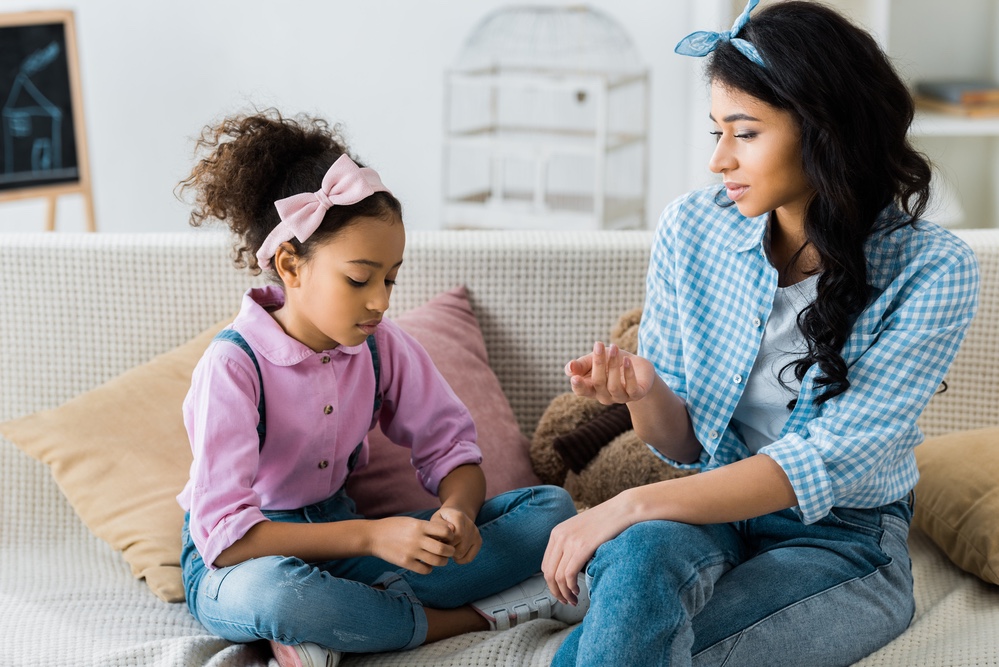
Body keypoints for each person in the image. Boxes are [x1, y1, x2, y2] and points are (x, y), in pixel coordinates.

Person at [542, 2, 980, 665]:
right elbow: (682, 445)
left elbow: (825, 458)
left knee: (613, 650)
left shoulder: (931, 269)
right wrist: (645, 390)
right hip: (705, 511)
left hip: (840, 539)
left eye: (743, 133)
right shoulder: (692, 227)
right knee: (638, 560)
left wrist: (629, 503)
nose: (718, 159)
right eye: (716, 130)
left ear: (823, 129)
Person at [175, 110, 583, 667]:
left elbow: (450, 449)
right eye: (359, 278)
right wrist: (370, 539)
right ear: (292, 265)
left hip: (346, 537)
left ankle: (340, 626)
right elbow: (228, 537)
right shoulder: (233, 365)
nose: (381, 301)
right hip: (242, 563)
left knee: (550, 510)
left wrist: (457, 513)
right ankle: (470, 617)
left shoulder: (380, 344)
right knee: (277, 595)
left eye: (390, 277)